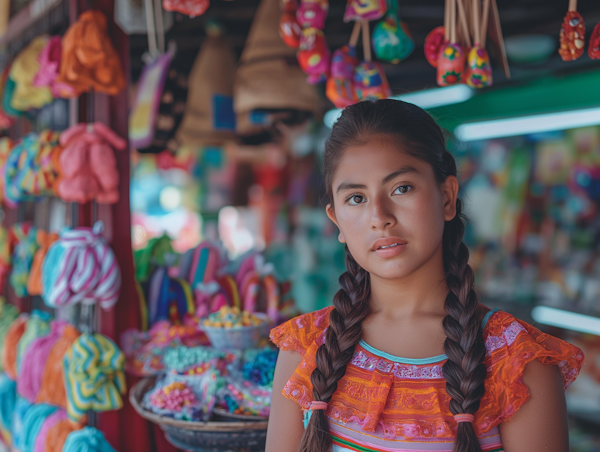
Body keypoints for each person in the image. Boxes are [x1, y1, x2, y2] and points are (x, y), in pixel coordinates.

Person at [266, 99, 584, 452]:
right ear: (335, 219)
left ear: (447, 197)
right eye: (356, 198)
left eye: (401, 188)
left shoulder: (519, 365)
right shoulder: (305, 349)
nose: (379, 216)